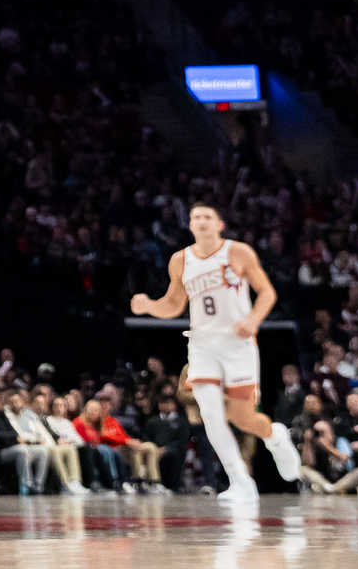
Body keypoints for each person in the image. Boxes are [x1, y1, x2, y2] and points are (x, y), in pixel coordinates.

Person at [129, 202, 304, 504]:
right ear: (190, 225)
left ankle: (275, 436)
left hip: (238, 345)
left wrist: (252, 320)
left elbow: (267, 292)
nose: (201, 221)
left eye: (208, 216)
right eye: (196, 217)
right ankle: (239, 480)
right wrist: (149, 306)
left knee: (243, 419)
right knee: (210, 413)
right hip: (202, 344)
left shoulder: (237, 252)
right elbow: (173, 305)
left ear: (220, 224)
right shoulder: (180, 260)